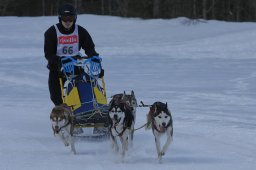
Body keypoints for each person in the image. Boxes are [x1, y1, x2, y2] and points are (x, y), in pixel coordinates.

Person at [44, 4, 99, 106]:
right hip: (57, 67)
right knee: (55, 92)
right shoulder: (51, 32)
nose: (68, 22)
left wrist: (94, 56)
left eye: (71, 18)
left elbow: (89, 47)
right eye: (65, 18)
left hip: (75, 65)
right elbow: (48, 54)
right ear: (60, 18)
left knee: (85, 84)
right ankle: (61, 109)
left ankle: (88, 107)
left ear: (75, 18)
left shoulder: (80, 31)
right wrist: (59, 61)